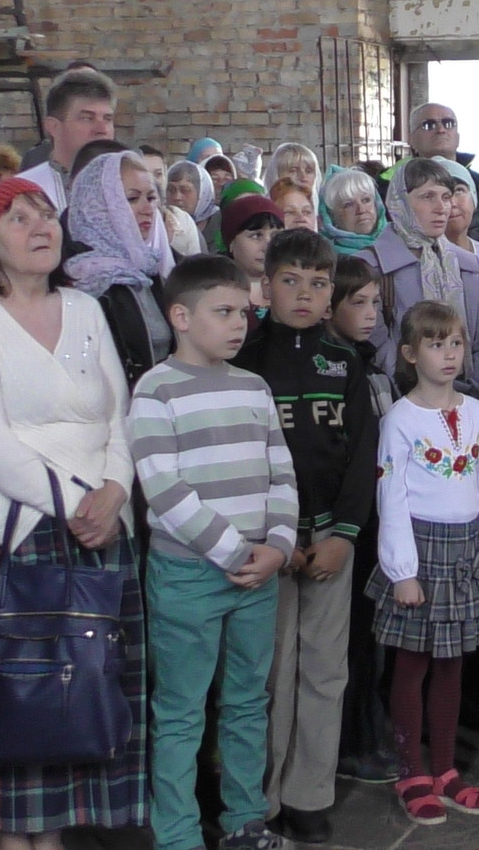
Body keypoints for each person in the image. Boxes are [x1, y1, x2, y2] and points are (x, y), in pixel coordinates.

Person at [0, 178, 147, 849]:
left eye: (47, 216)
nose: (39, 227)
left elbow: (119, 410)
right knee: (18, 701)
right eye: (19, 218)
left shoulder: (84, 307)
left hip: (97, 526)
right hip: (14, 527)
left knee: (78, 701)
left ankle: (53, 841)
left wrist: (114, 488)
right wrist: (69, 503)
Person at [130, 254, 297, 850]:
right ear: (180, 315)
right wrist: (232, 550)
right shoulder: (155, 390)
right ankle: (176, 836)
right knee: (180, 711)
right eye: (223, 312)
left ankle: (245, 821)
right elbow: (162, 486)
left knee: (248, 700)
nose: (239, 325)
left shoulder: (253, 387)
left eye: (244, 313)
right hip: (189, 574)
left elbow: (282, 472)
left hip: (258, 572)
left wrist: (277, 545)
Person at [229, 230, 379, 844]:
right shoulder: (244, 359)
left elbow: (361, 456)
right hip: (267, 544)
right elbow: (240, 458)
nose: (304, 294)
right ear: (265, 286)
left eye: (318, 284)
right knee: (267, 674)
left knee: (324, 669)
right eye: (290, 280)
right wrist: (272, 536)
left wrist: (344, 535)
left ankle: (308, 794)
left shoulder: (344, 363)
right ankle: (258, 797)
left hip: (329, 542)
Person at [365, 300, 479, 825]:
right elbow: (392, 500)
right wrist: (402, 571)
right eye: (435, 344)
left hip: (465, 550)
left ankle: (446, 770)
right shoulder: (400, 420)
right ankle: (411, 771)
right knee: (412, 664)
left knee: (453, 664)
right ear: (410, 353)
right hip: (420, 553)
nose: (449, 354)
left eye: (456, 343)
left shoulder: (478, 413)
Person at [323, 258, 401, 786]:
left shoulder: (372, 366)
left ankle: (372, 728)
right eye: (358, 302)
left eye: (376, 303)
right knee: (349, 641)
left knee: (374, 638)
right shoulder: (338, 370)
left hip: (380, 517)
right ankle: (349, 742)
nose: (370, 314)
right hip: (349, 520)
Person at [356, 158, 479, 385]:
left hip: (467, 400)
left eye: (446, 196)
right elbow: (371, 343)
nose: (441, 208)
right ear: (399, 202)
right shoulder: (369, 267)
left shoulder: (468, 266)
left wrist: (471, 391)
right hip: (401, 398)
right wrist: (421, 387)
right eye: (428, 197)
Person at [66, 151, 172, 388]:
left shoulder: (150, 270)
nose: (147, 209)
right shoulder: (88, 283)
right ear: (100, 208)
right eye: (132, 199)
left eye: (151, 197)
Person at [388, 103, 479, 245]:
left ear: (458, 136)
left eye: (448, 123)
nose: (441, 130)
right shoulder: (391, 185)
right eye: (429, 125)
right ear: (412, 138)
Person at [18, 68, 118, 210]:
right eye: (87, 118)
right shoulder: (24, 190)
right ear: (53, 127)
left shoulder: (131, 188)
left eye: (107, 119)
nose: (102, 129)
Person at [222, 194, 285, 315]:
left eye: (275, 236)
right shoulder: (215, 296)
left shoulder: (292, 292)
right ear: (231, 243)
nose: (268, 246)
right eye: (256, 235)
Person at [319, 166, 386, 256]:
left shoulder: (400, 242)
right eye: (349, 205)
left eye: (366, 200)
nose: (361, 210)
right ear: (332, 216)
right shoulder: (323, 256)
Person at [168, 159, 220, 248]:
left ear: (202, 193)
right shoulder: (162, 223)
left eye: (185, 190)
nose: (177, 197)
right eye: (171, 190)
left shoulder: (221, 225)